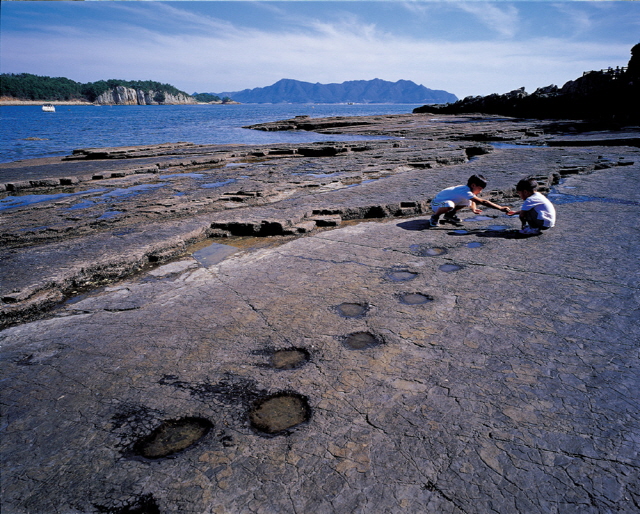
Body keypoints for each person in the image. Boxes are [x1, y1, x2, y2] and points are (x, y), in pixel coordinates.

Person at [429, 174, 510, 227]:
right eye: (480, 189)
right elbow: (483, 202)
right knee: (449, 204)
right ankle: (435, 217)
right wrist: (500, 208)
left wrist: (473, 209)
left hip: (443, 203)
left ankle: (449, 215)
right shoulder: (465, 191)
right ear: (473, 185)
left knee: (467, 201)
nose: (480, 191)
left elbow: (473, 200)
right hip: (436, 204)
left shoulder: (467, 190)